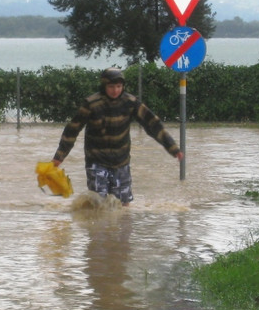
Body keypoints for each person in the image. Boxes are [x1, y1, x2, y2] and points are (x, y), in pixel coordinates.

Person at [52, 67, 183, 206]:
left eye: (119, 86)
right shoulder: (91, 104)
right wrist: (59, 157)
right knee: (98, 204)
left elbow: (153, 125)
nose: (115, 90)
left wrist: (173, 148)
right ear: (104, 86)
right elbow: (72, 130)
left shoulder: (130, 102)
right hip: (96, 161)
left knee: (123, 205)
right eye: (111, 86)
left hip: (121, 162)